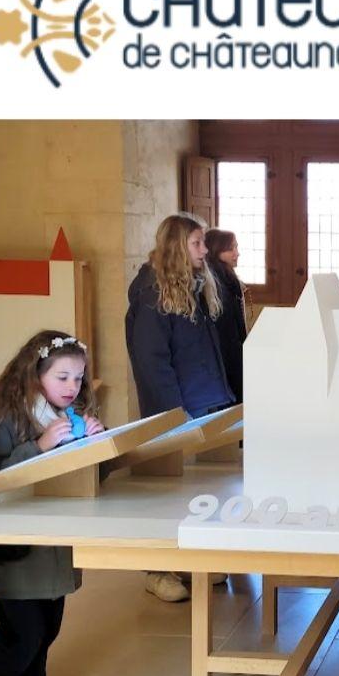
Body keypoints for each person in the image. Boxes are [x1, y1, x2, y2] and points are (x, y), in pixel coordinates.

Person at [0, 330, 104, 676]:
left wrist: (99, 442)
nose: (72, 387)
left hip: (54, 543)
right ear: (35, 374)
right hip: (16, 545)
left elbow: (90, 476)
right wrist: (40, 446)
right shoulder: (7, 421)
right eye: (62, 377)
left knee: (48, 628)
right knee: (24, 631)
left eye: (78, 378)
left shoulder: (71, 417)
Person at [126, 213, 233, 603]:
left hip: (205, 399)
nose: (205, 251)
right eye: (197, 244)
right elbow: (152, 361)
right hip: (175, 408)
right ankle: (157, 569)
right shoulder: (151, 293)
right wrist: (173, 413)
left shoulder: (193, 284)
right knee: (166, 493)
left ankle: (193, 561)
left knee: (199, 491)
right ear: (176, 246)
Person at [204, 228, 247, 404]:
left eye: (236, 247)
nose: (237, 253)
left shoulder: (228, 279)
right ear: (216, 250)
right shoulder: (216, 284)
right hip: (226, 358)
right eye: (231, 249)